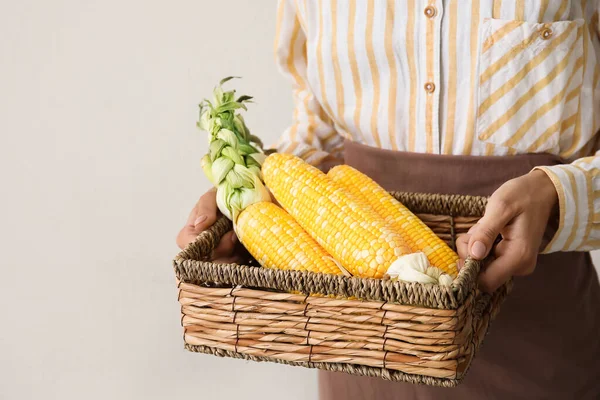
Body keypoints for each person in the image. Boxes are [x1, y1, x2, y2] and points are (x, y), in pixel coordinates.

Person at [178, 1, 600, 398]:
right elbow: (318, 127)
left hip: (539, 335)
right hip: (363, 347)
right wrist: (254, 208)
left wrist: (562, 194)